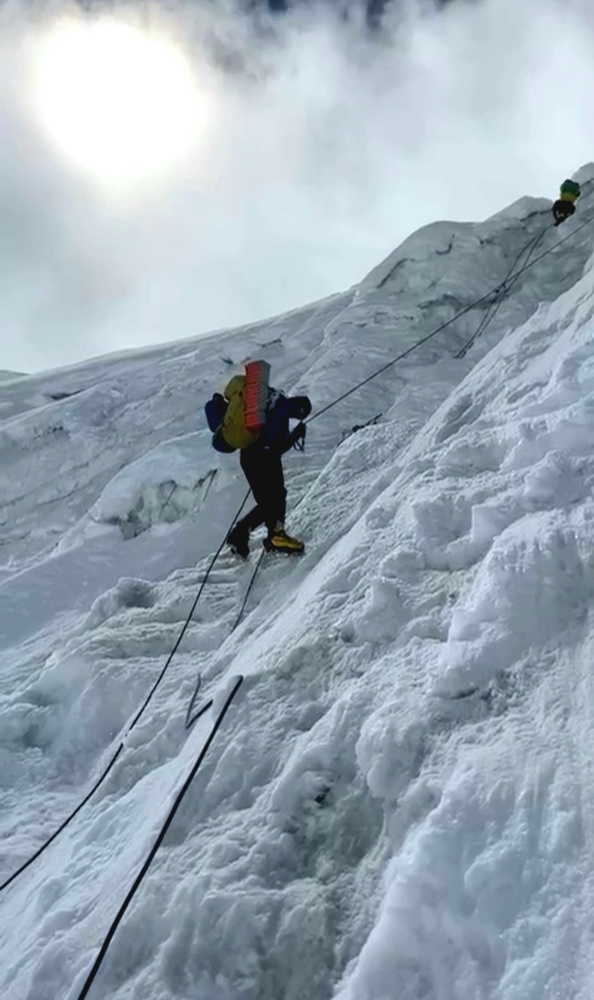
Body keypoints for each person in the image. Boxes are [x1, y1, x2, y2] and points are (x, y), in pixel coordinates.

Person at [206, 368, 311, 557]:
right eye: (302, 414)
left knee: (270, 499)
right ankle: (272, 536)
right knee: (274, 498)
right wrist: (295, 435)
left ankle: (246, 535)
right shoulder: (282, 410)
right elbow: (272, 447)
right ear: (299, 409)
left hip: (249, 457)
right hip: (263, 459)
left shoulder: (271, 404)